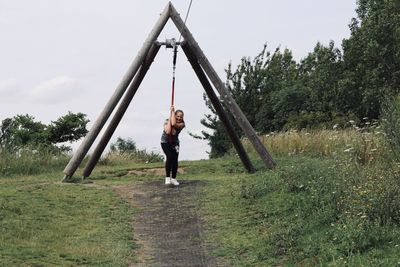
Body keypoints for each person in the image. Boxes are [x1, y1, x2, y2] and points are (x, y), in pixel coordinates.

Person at [161, 106, 185, 186]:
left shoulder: (182, 124)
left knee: (175, 160)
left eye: (181, 117)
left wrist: (172, 111)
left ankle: (173, 179)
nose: (179, 118)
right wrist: (171, 115)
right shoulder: (167, 121)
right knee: (170, 156)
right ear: (174, 116)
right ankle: (167, 177)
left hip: (175, 143)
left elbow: (174, 124)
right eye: (177, 116)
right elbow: (168, 131)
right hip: (165, 142)